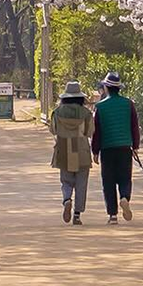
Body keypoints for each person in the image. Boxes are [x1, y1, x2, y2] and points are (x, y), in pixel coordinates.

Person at [91, 69, 140, 223]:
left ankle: (112, 215)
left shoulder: (100, 107)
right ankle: (124, 197)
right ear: (119, 88)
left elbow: (96, 131)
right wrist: (136, 146)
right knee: (125, 179)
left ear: (106, 88)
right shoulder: (128, 104)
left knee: (108, 181)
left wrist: (95, 151)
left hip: (107, 148)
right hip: (125, 147)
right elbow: (134, 126)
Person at [50, 81, 94, 224]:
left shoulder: (57, 112)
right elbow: (90, 132)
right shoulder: (86, 113)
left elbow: (53, 130)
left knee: (66, 181)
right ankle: (77, 215)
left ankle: (67, 199)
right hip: (81, 150)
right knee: (81, 184)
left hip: (63, 149)